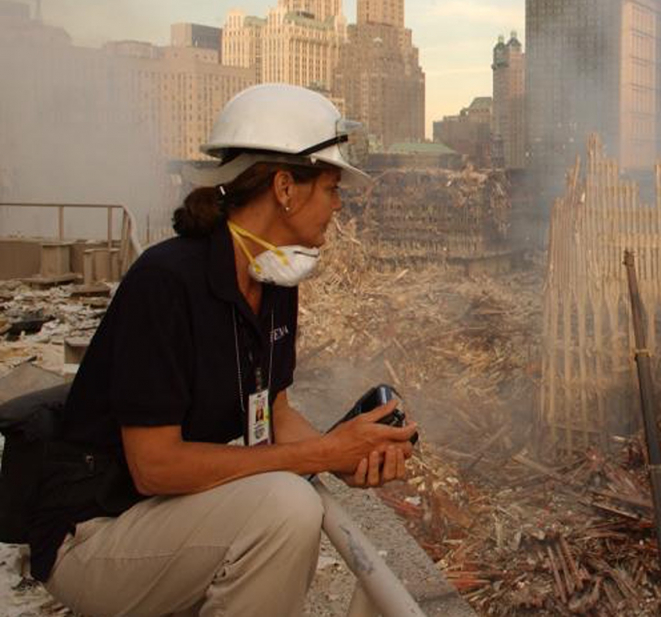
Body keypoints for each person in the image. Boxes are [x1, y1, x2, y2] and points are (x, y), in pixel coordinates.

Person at [26, 84, 418, 617]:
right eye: (330, 187)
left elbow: (274, 414)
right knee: (286, 508)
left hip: (164, 515)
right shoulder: (166, 282)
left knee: (286, 500)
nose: (339, 204)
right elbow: (155, 467)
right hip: (96, 531)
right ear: (285, 187)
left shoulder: (276, 280)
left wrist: (348, 456)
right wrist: (320, 455)